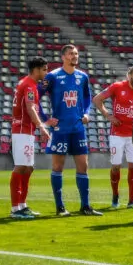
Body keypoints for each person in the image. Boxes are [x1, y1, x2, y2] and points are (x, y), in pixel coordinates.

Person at [41, 44, 101, 217]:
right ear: (63, 57)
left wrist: (86, 112)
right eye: (70, 54)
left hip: (78, 128)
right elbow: (36, 97)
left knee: (84, 166)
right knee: (58, 166)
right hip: (60, 129)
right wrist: (46, 119)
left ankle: (86, 206)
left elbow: (87, 97)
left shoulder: (82, 77)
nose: (74, 56)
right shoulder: (52, 76)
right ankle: (60, 207)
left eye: (76, 53)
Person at [8, 57, 52, 219]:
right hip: (22, 130)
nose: (46, 73)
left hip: (25, 130)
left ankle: (22, 205)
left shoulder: (25, 83)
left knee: (29, 167)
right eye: (45, 69)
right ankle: (15, 209)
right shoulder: (29, 85)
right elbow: (30, 107)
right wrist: (41, 126)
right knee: (20, 167)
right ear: (37, 70)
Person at [94, 66, 133, 209]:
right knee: (116, 166)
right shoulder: (117, 87)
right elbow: (97, 99)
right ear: (129, 76)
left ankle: (131, 201)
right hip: (117, 134)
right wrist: (108, 115)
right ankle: (115, 198)